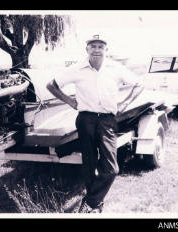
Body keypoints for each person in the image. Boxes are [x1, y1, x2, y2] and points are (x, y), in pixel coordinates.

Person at [46, 35, 144, 213]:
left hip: (107, 121)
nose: (97, 49)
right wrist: (69, 101)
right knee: (89, 165)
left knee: (111, 168)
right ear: (87, 50)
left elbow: (138, 84)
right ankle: (96, 205)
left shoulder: (115, 68)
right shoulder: (77, 68)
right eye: (93, 46)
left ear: (106, 50)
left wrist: (124, 104)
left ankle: (90, 201)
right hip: (86, 120)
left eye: (100, 46)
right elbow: (51, 85)